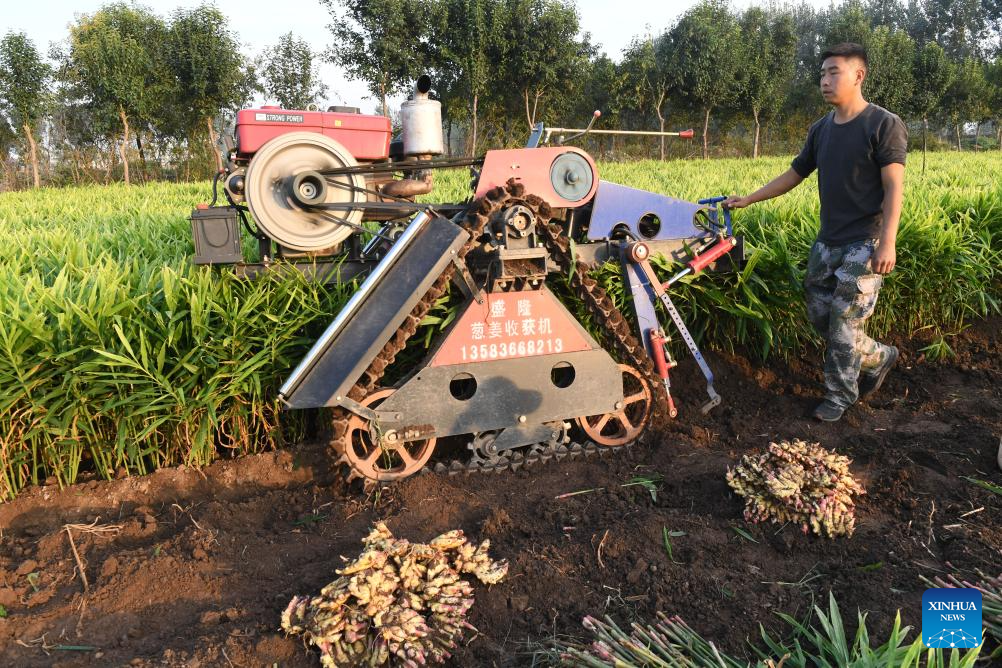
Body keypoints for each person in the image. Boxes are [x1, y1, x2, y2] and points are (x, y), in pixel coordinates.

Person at [723, 42, 907, 422]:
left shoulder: (883, 125)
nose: (824, 80)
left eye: (833, 72)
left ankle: (840, 396)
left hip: (866, 241)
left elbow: (894, 188)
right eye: (822, 73)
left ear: (858, 76)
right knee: (820, 314)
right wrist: (749, 199)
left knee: (843, 320)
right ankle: (879, 355)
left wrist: (887, 241)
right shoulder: (820, 130)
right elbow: (794, 175)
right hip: (828, 242)